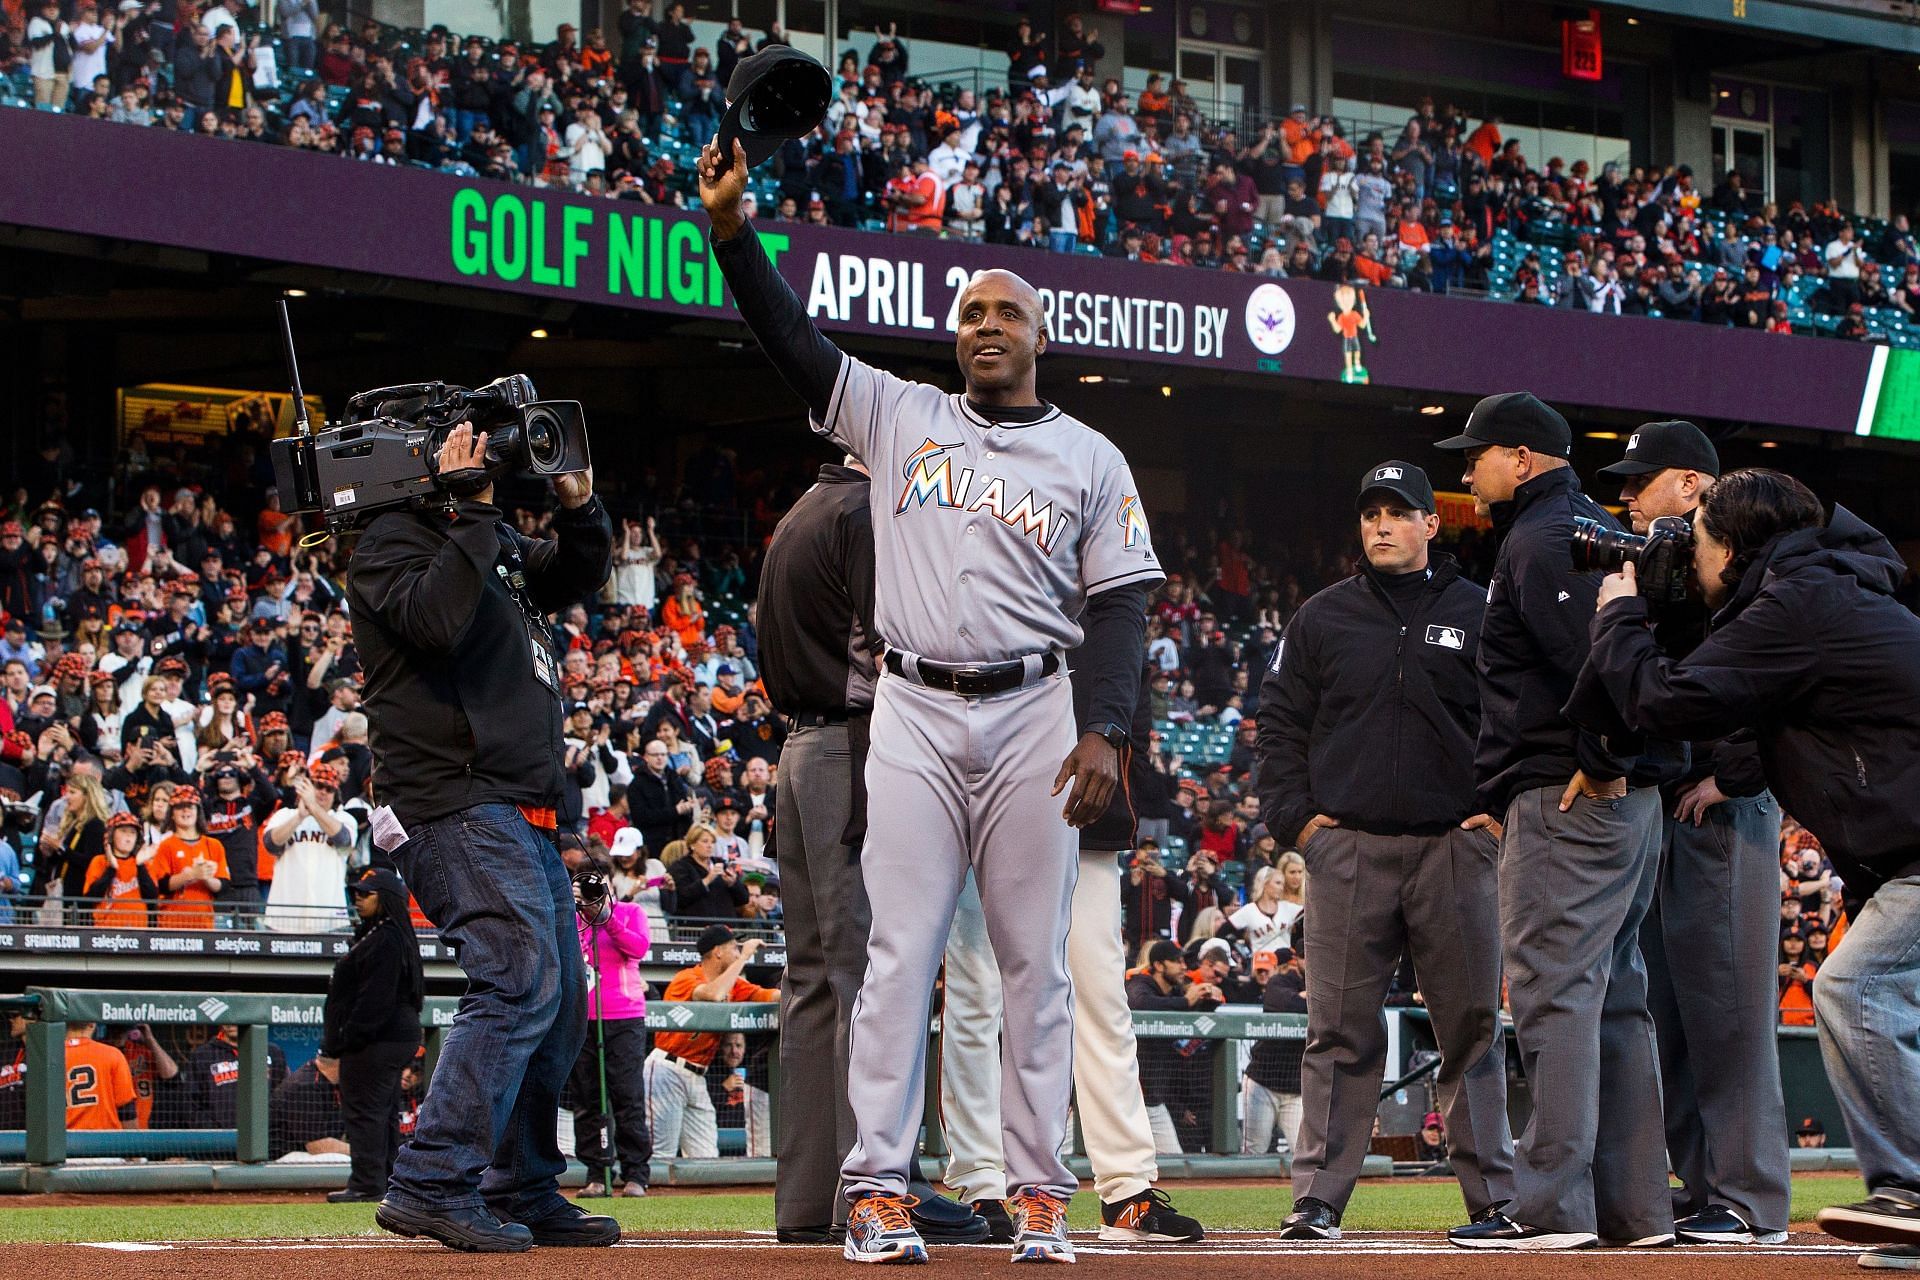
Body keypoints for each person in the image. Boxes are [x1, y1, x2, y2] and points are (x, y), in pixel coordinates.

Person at [701, 128, 1160, 1267]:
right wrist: (732, 238)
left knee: (1032, 965)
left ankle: (1042, 1194)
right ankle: (875, 1191)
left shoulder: (1094, 458)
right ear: (953, 340)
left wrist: (1105, 728)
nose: (986, 328)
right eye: (971, 317)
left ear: (1041, 336)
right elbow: (795, 347)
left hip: (1033, 711)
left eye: (1006, 313)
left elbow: (1121, 610)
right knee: (899, 955)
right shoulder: (898, 416)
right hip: (906, 706)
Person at [1575, 469, 1920, 1269]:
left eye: (1694, 543)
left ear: (1729, 547)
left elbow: (1665, 703)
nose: (1686, 560)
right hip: (1900, 858)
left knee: (1852, 988)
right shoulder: (1821, 591)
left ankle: (1908, 1185)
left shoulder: (1797, 604)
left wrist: (1622, 615)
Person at [347, 419, 614, 1252]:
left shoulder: (484, 537)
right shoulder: (387, 542)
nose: (486, 453)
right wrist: (469, 515)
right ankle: (431, 1181)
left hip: (519, 807)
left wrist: (578, 505)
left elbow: (572, 572)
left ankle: (522, 1183)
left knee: (561, 1002)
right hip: (452, 800)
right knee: (517, 981)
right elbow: (433, 622)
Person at [1435, 394, 1668, 1251]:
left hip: (1572, 798)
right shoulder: (1579, 528)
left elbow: (1606, 662)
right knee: (1616, 1001)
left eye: (1479, 455)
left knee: (1556, 996)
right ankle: (1637, 1213)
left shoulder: (1544, 538)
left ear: (1524, 458)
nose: (1467, 471)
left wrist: (1606, 761)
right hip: (1609, 799)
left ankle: (1549, 1209)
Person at [1257, 461, 1514, 1241]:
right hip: (1348, 850)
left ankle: (1495, 1199)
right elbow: (1278, 724)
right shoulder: (1321, 617)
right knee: (1337, 1030)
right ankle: (1318, 1200)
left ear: (1433, 524)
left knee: (1470, 1026)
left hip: (1453, 848)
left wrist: (1496, 814)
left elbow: (1518, 716)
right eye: (1370, 513)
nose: (1381, 525)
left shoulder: (1482, 611)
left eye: (1398, 513)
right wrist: (1299, 827)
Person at [757, 453, 978, 1244]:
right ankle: (879, 1188)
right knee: (871, 974)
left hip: (799, 754)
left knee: (814, 978)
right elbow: (902, 641)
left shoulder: (801, 510)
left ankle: (810, 1199)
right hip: (856, 751)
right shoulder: (866, 513)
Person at [1592, 422, 1790, 1245]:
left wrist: (1740, 773)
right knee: (1671, 1010)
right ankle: (1707, 1182)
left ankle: (1750, 1198)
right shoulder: (1671, 578)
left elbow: (1789, 682)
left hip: (1726, 812)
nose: (1629, 498)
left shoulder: (1763, 572)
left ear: (1691, 486)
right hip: (1667, 805)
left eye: (1643, 483)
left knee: (1730, 1010)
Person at [942, 658, 1205, 1245]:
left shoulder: (1102, 590)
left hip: (1079, 810)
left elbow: (1121, 677)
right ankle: (982, 1184)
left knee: (1100, 995)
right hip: (976, 794)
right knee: (977, 995)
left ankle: (1126, 1189)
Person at [321, 867, 425, 1203]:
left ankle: (368, 1184)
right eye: (356, 893)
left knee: (365, 1110)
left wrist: (344, 1038)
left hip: (377, 1038)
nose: (358, 898)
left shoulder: (386, 937)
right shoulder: (383, 932)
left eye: (366, 893)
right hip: (388, 1036)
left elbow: (373, 1001)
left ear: (386, 898)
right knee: (382, 1110)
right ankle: (387, 1181)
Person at [646, 924, 776, 1159]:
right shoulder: (686, 978)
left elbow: (772, 996)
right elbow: (714, 995)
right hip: (667, 1068)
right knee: (661, 1153)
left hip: (697, 1075)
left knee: (706, 1156)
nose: (738, 953)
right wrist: (745, 956)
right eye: (734, 949)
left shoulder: (735, 985)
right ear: (718, 952)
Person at [568, 847, 654, 1199]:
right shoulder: (570, 919)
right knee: (588, 1098)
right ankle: (596, 1171)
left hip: (624, 1015)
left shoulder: (630, 912)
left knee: (627, 1095)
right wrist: (574, 907)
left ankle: (636, 1173)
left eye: (597, 884)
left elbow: (638, 948)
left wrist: (604, 915)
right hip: (582, 1017)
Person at [262, 761, 356, 931]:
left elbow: (343, 841)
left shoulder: (343, 818)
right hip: (284, 916)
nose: (323, 793)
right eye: (319, 786)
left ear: (336, 794)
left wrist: (313, 807)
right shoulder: (285, 815)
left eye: (329, 789)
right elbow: (271, 844)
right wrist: (299, 816)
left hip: (330, 917)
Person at [61, 1020, 137, 1130]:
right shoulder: (112, 1054)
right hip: (104, 1141)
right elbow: (126, 1110)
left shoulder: (49, 1056)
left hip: (63, 1141)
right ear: (92, 1024)